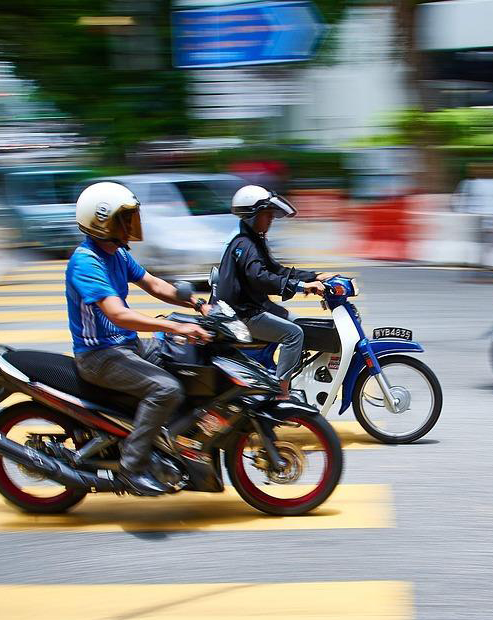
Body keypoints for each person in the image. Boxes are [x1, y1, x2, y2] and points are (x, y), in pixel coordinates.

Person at [67, 181, 213, 497]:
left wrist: (199, 304)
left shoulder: (116, 254)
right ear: (102, 221)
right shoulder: (87, 261)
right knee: (165, 388)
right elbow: (117, 314)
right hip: (99, 356)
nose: (132, 224)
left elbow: (153, 283)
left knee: (188, 361)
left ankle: (173, 442)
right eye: (125, 217)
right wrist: (176, 328)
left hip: (127, 346)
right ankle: (133, 469)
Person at [213, 185, 335, 397]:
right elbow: (259, 277)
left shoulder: (252, 239)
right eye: (266, 215)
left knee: (302, 324)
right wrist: (301, 287)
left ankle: (286, 373)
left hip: (254, 307)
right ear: (252, 215)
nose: (270, 220)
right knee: (294, 334)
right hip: (243, 314)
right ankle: (282, 393)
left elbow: (277, 270)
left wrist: (313, 277)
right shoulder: (244, 244)